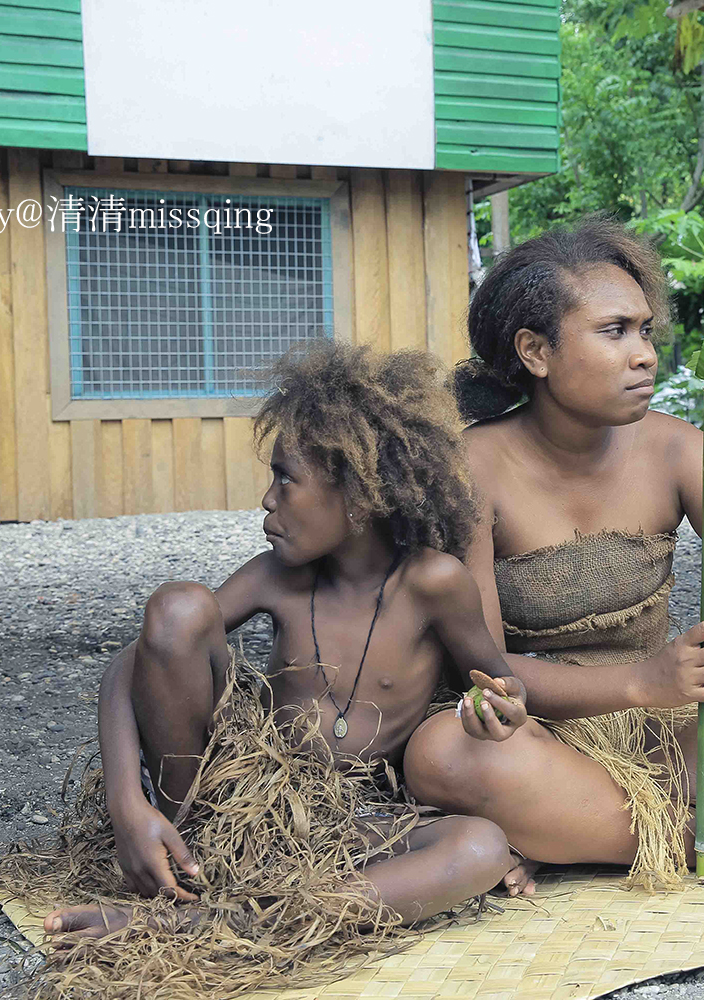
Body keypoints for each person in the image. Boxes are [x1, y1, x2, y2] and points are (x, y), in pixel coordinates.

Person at [403, 220, 704, 893]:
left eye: (646, 331)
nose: (646, 354)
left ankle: (571, 835)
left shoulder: (678, 448)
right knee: (442, 754)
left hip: (667, 737)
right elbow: (486, 671)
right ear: (535, 351)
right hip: (544, 737)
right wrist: (641, 682)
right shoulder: (470, 470)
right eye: (614, 331)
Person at [38, 341, 530, 942]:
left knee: (480, 846)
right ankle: (175, 862)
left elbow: (500, 683)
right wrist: (126, 806)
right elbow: (134, 661)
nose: (268, 500)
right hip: (234, 817)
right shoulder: (275, 577)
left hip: (358, 824)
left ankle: (213, 922)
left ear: (358, 497)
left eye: (285, 479)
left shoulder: (434, 583)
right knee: (178, 605)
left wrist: (502, 709)